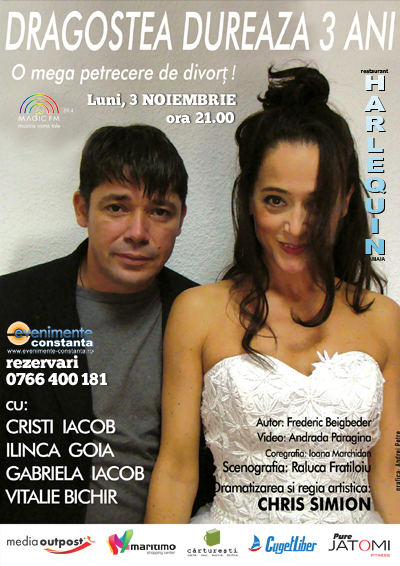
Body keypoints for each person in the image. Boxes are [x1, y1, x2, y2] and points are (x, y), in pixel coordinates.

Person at [145, 67, 400, 524]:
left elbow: (391, 473)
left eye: (317, 203)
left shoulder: (384, 319)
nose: (296, 226)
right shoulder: (197, 312)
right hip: (231, 546)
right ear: (249, 199)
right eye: (276, 200)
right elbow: (177, 470)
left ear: (345, 202)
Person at [0, 124, 201, 524]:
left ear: (181, 219)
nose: (138, 233)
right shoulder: (11, 304)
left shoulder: (203, 314)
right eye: (117, 208)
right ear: (82, 209)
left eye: (160, 212)